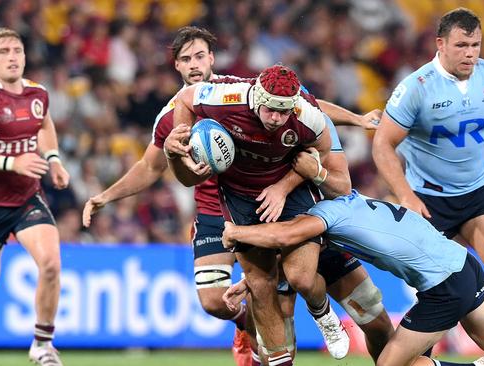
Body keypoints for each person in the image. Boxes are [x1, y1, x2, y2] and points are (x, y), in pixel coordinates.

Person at [81, 26, 388, 365]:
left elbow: (306, 106)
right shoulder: (172, 116)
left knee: (286, 297)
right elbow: (150, 167)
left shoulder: (241, 91)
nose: (195, 64)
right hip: (220, 210)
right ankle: (248, 328)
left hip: (287, 197)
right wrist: (106, 196)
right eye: (186, 59)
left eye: (200, 56)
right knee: (219, 301)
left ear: (211, 58)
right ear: (177, 67)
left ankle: (287, 331)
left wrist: (356, 119)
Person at [221, 191, 484, 366]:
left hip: (444, 286)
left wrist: (237, 231)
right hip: (465, 265)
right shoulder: (355, 201)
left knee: (391, 365)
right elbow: (296, 250)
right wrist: (252, 278)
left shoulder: (324, 214)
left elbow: (285, 236)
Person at [164, 64, 358, 365]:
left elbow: (321, 156)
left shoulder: (308, 116)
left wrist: (282, 188)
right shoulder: (227, 99)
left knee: (302, 278)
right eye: (270, 110)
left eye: (283, 112)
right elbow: (187, 97)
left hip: (291, 191)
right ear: (257, 97)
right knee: (260, 285)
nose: (277, 119)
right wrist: (183, 136)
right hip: (241, 197)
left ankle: (323, 313)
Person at [371, 7, 484, 335]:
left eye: (476, 45)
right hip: (428, 198)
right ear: (441, 44)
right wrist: (405, 194)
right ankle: (424, 346)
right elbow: (382, 145)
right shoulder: (417, 87)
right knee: (437, 288)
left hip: (477, 190)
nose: (470, 53)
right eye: (462, 45)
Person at [0, 28, 70, 366]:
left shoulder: (38, 93)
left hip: (27, 198)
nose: (12, 56)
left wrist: (54, 160)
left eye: (17, 50)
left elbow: (44, 127)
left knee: (50, 265)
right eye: (3, 51)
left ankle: (43, 345)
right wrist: (11, 162)